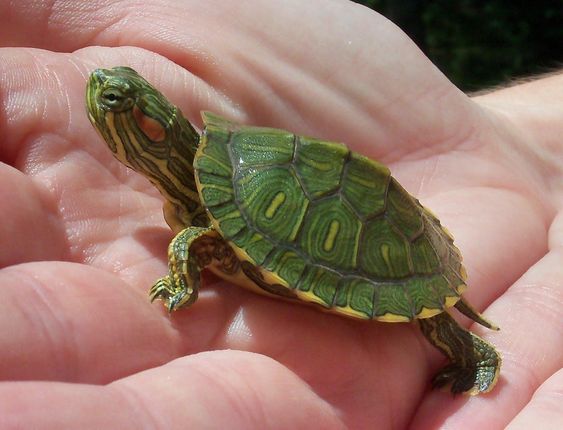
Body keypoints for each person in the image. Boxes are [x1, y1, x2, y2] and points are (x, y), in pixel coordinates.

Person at [0, 1, 561, 428]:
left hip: (383, 243)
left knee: (426, 313)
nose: (101, 93)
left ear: (157, 128)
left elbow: (197, 240)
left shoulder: (208, 195)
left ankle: (467, 348)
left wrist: (181, 280)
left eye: (120, 101)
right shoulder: (220, 161)